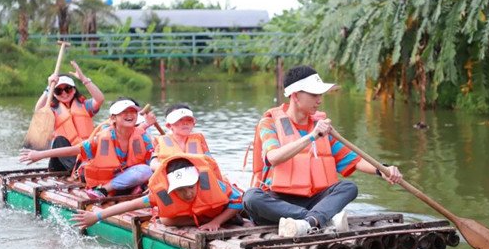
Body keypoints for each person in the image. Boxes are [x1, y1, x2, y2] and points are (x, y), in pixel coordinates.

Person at [243, 65, 402, 237]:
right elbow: (273, 158)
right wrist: (311, 136)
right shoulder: (268, 124)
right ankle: (319, 219)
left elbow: (353, 160)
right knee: (251, 198)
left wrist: (383, 170)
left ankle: (310, 221)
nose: (319, 100)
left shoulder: (322, 127)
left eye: (320, 94)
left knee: (348, 187)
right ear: (295, 96)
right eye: (314, 94)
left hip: (313, 202)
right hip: (276, 203)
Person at [20, 98, 154, 198]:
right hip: (103, 180)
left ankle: (137, 187)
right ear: (113, 118)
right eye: (124, 112)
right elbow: (75, 150)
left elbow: (153, 158)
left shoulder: (142, 135)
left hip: (127, 175)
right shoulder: (103, 136)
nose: (130, 115)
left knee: (147, 170)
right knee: (144, 171)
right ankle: (103, 191)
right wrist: (39, 155)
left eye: (132, 112)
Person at [71, 154, 243, 231]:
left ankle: (208, 219)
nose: (188, 193)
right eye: (181, 190)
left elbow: (238, 201)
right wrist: (97, 217)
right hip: (192, 217)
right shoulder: (163, 194)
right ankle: (200, 220)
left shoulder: (211, 184)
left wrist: (217, 222)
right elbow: (131, 205)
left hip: (219, 212)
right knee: (165, 220)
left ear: (198, 180)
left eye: (191, 186)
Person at [34, 61, 105, 172]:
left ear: (74, 90)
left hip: (85, 155)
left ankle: (82, 168)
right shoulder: (52, 110)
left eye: (68, 89)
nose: (64, 93)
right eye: (58, 91)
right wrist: (48, 88)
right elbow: (38, 111)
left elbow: (100, 99)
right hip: (62, 161)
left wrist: (84, 79)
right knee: (59, 140)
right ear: (54, 94)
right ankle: (78, 169)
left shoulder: (85, 105)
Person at [149, 104, 212, 171]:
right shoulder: (161, 142)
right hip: (171, 176)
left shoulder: (199, 139)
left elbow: (210, 160)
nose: (185, 123)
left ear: (193, 124)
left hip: (197, 176)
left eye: (189, 120)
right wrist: (167, 167)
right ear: (169, 125)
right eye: (180, 120)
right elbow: (153, 164)